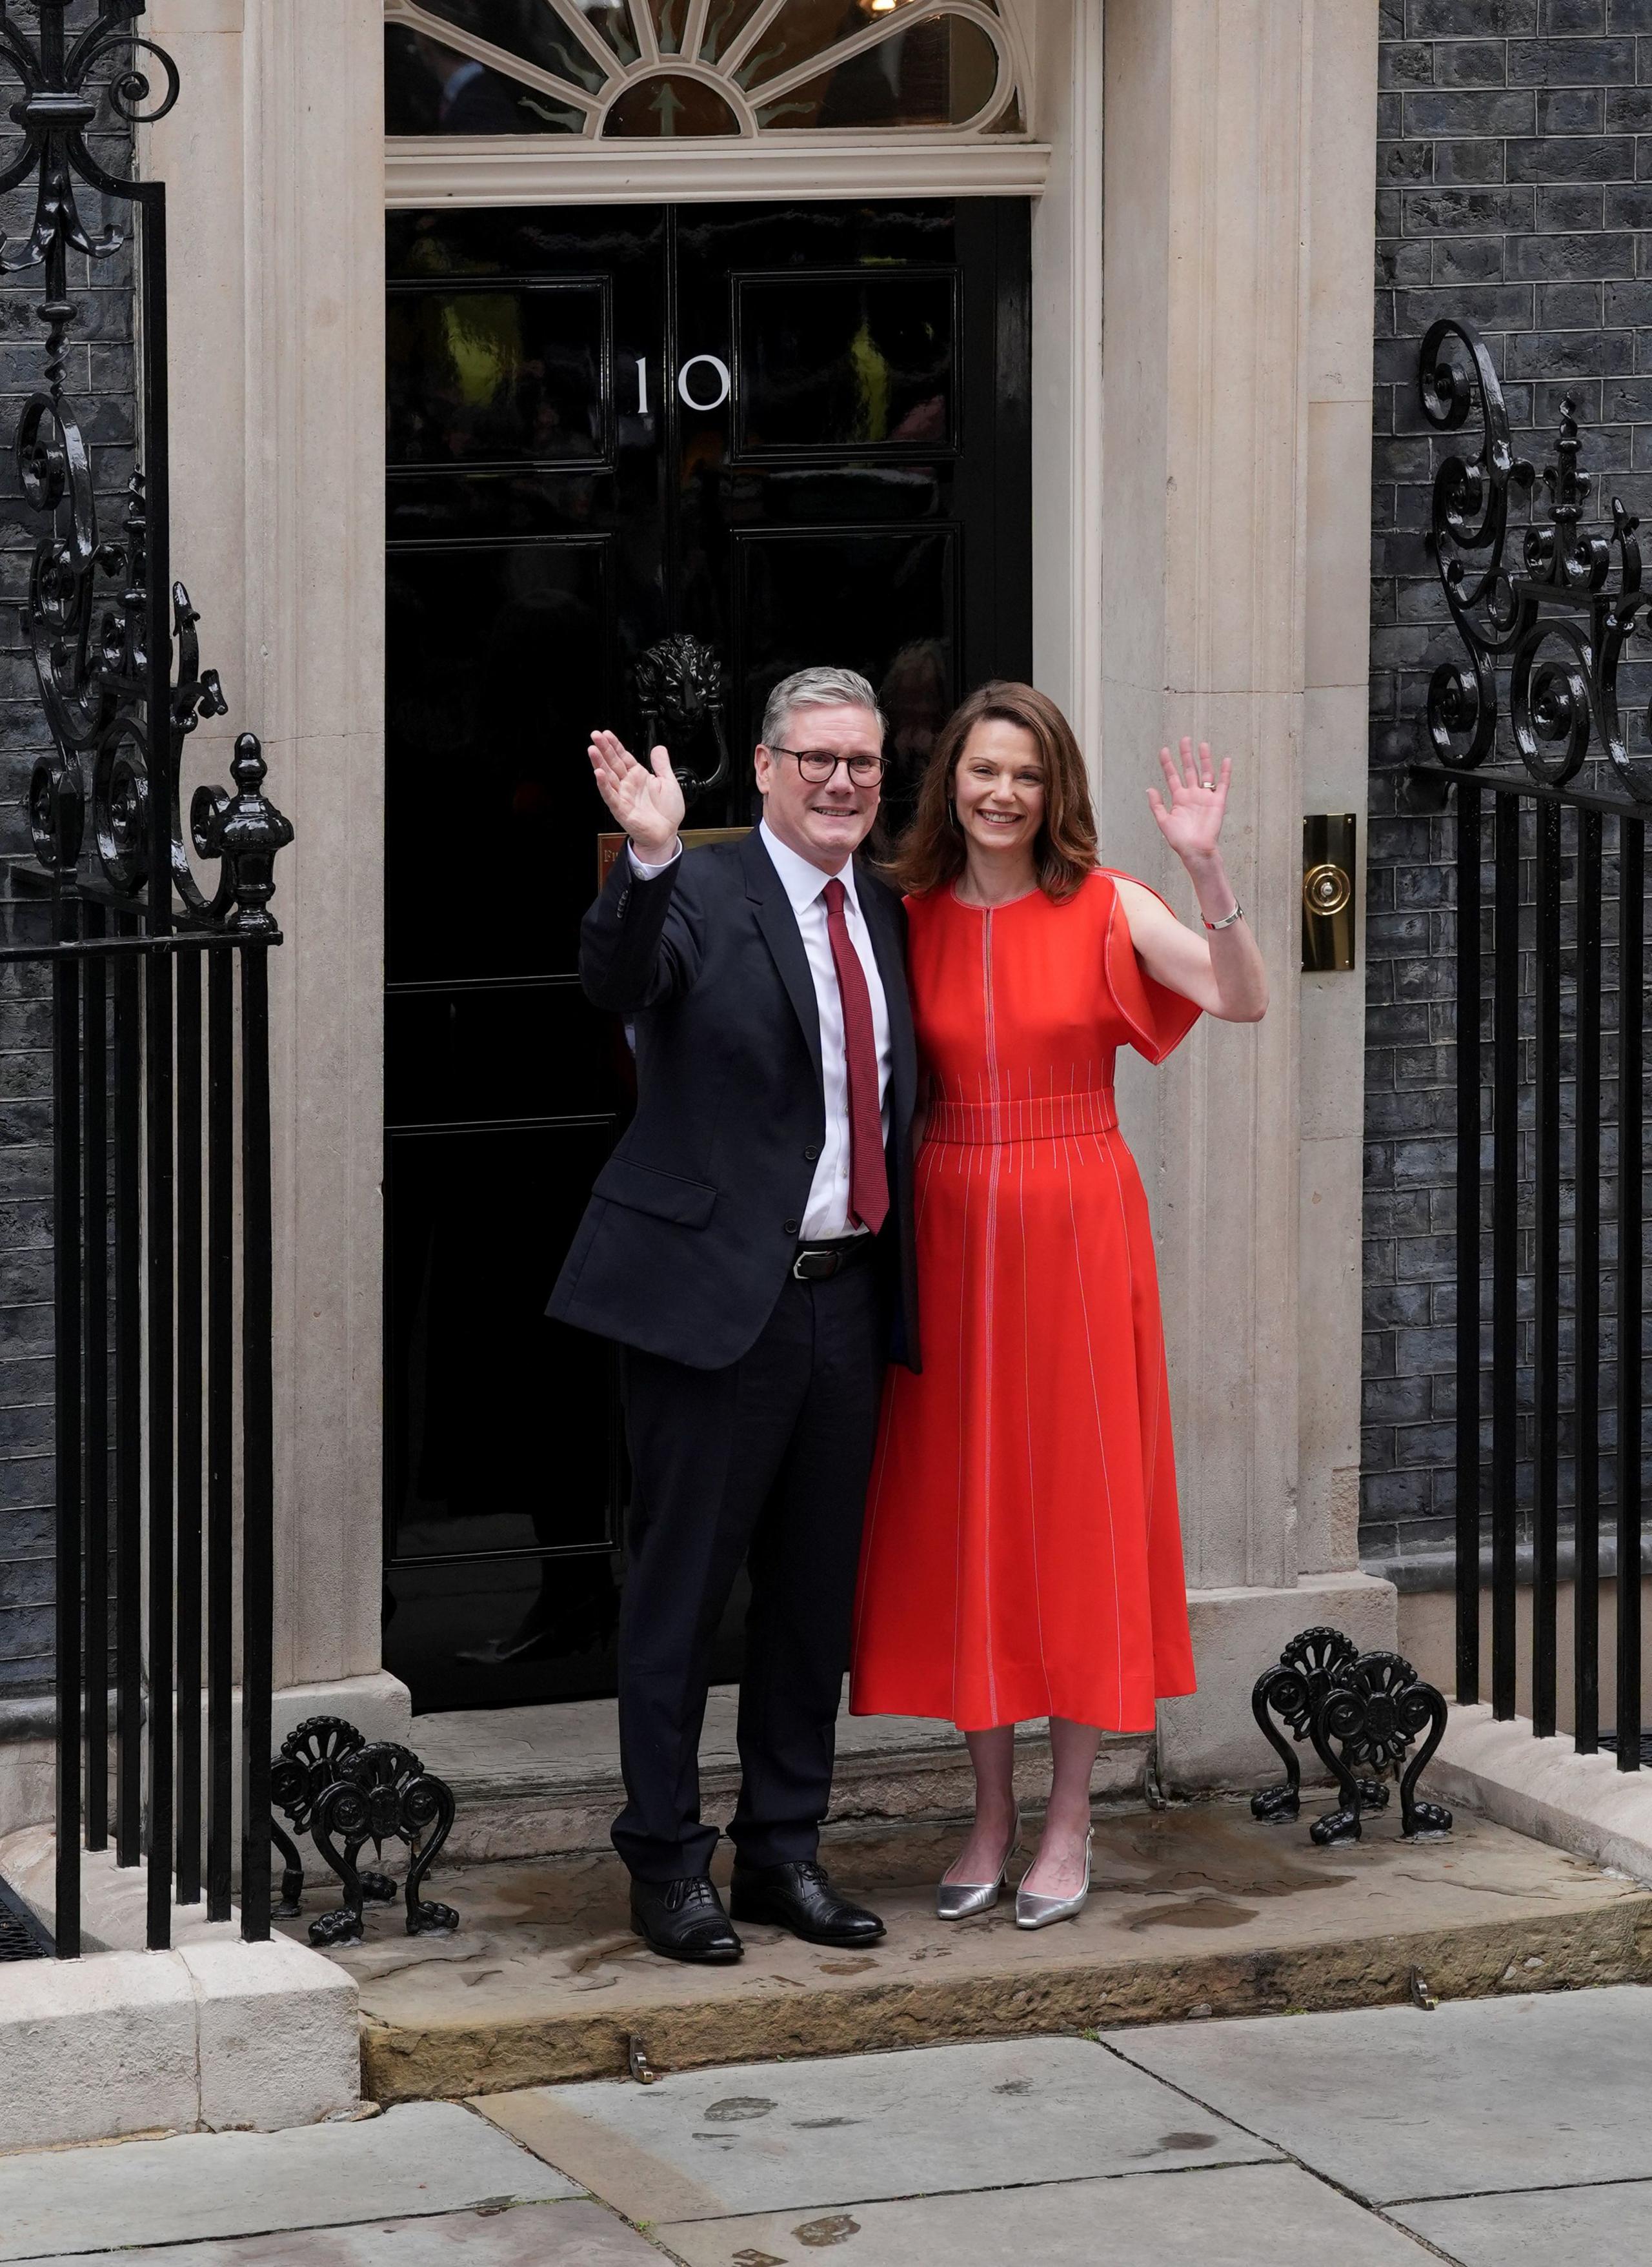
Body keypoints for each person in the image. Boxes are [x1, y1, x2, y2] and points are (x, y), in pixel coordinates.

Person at [849, 684, 1268, 1927]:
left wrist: (1206, 872)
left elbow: (1239, 996)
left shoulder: (1104, 904)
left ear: (1055, 791)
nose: (1002, 794)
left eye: (1026, 775)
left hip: (1079, 1221)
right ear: (951, 783)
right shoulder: (903, 914)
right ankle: (988, 1813)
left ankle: (1071, 1816)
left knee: (1078, 1510)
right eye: (984, 771)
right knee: (969, 1508)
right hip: (948, 1217)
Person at [550, 667, 920, 1964]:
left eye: (861, 763)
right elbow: (613, 982)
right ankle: (665, 1861)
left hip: (842, 1298)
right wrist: (648, 856)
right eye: (815, 757)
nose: (839, 782)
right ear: (760, 769)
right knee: (679, 1596)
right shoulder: (696, 889)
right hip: (716, 1310)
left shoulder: (881, 909)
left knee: (809, 1604)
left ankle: (780, 1851)